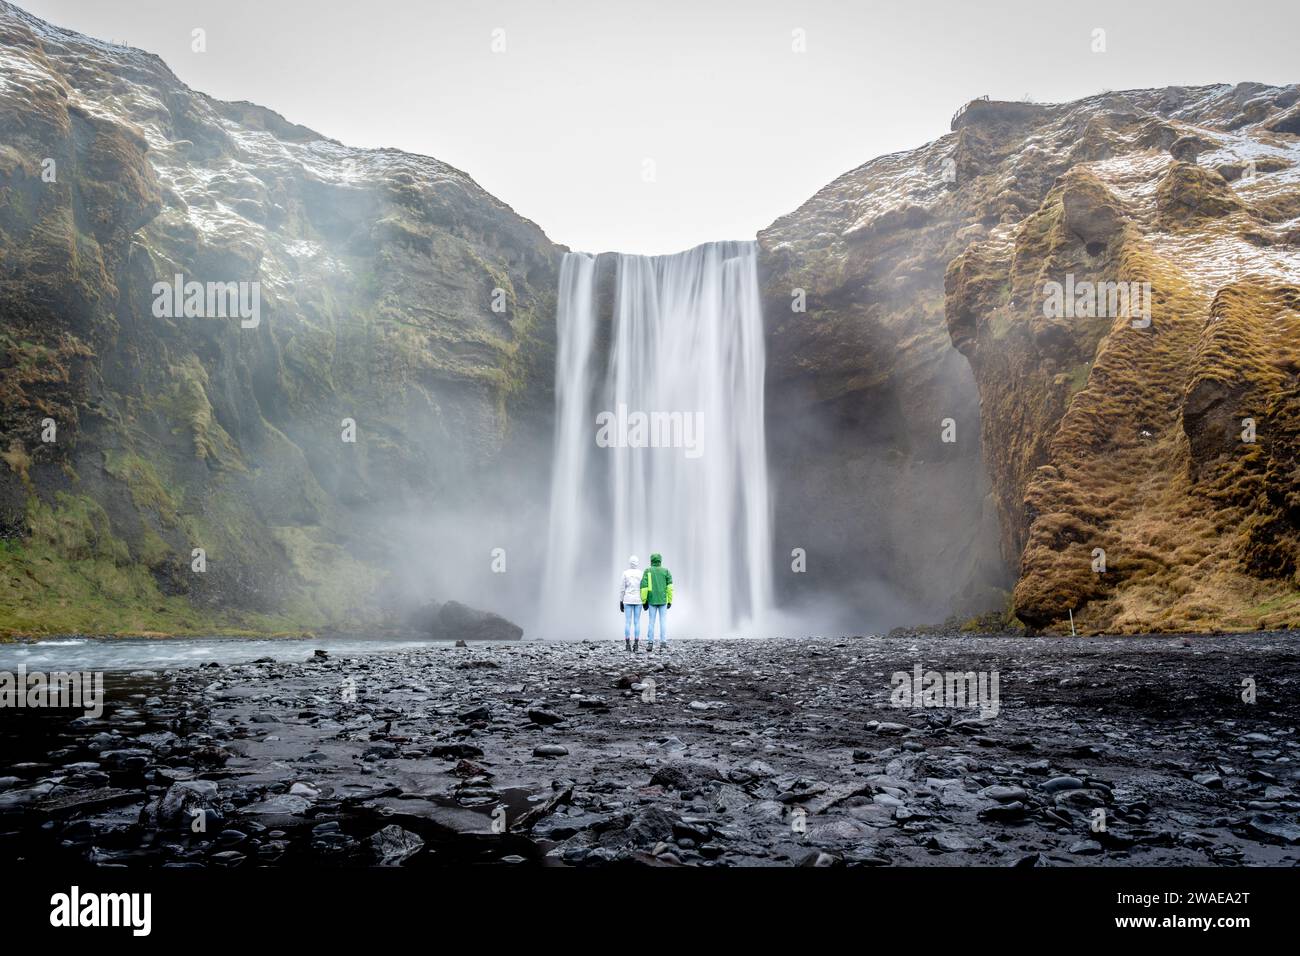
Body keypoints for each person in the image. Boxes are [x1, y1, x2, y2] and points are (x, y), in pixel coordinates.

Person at [639, 552, 673, 653]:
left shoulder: (647, 571)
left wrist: (644, 601)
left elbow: (644, 587)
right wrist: (670, 601)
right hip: (662, 600)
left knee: (651, 622)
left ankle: (650, 643)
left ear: (651, 561)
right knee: (663, 621)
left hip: (652, 600)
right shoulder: (666, 571)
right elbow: (670, 588)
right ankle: (663, 643)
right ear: (660, 561)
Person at [618, 555, 643, 651]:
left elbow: (622, 588)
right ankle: (636, 644)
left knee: (627, 622)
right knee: (637, 622)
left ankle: (627, 644)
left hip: (627, 599)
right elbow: (643, 587)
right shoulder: (641, 573)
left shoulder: (625, 573)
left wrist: (621, 600)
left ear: (630, 562)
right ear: (637, 563)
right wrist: (645, 600)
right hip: (638, 599)